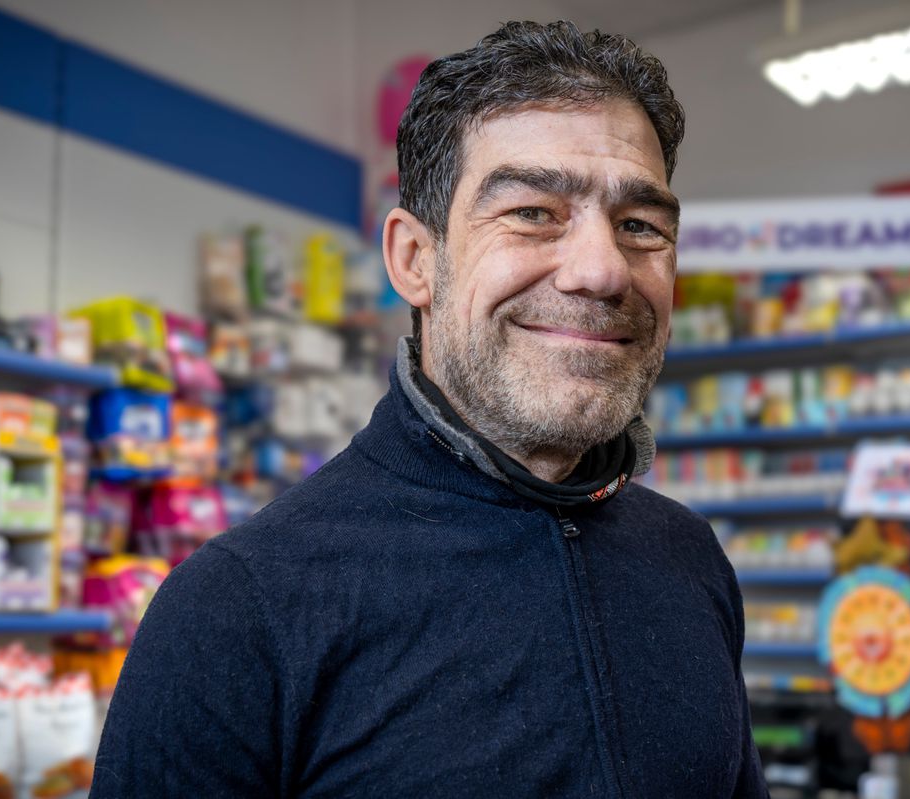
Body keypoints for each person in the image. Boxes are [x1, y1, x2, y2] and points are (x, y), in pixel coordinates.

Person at [91, 20, 768, 798]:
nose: (602, 270)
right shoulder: (238, 611)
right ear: (415, 259)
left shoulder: (690, 558)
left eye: (641, 226)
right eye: (533, 212)